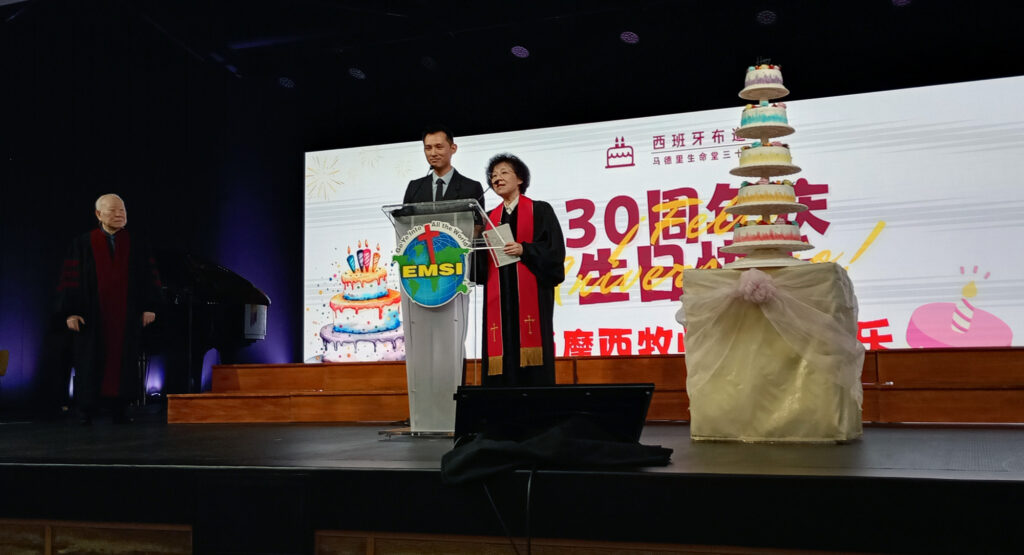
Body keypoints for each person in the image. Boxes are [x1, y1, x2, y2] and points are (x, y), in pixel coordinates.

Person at [57, 194, 162, 423]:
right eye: (113, 210)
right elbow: (70, 280)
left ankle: (120, 409)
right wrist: (71, 312)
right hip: (91, 316)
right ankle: (86, 410)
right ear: (98, 214)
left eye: (122, 210)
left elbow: (149, 277)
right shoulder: (83, 244)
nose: (119, 214)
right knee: (88, 361)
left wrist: (150, 307)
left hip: (127, 315)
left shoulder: (137, 244)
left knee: (124, 360)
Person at [480, 153, 565, 386]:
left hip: (533, 295)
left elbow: (554, 252)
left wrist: (525, 250)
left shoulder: (540, 211)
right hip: (499, 299)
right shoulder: (489, 219)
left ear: (520, 179)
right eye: (493, 176)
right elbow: (483, 265)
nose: (497, 178)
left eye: (504, 172)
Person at [403, 126, 484, 206]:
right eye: (428, 148)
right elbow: (404, 214)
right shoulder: (414, 188)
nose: (433, 153)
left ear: (453, 148)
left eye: (439, 147)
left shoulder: (472, 188)